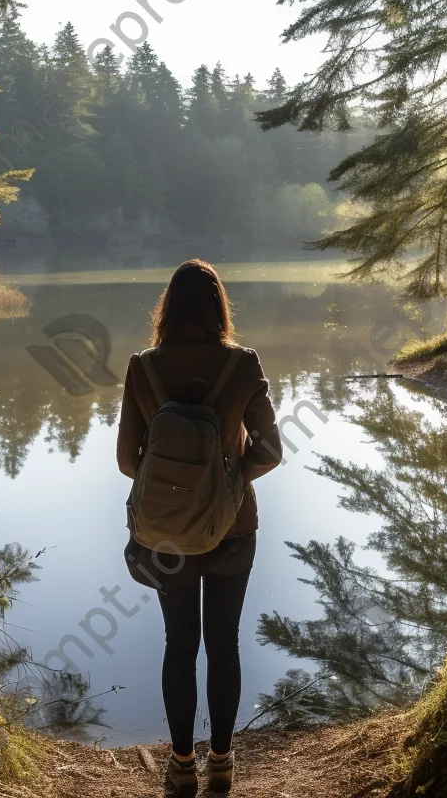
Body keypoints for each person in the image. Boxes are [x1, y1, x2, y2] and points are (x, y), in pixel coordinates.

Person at [117, 259, 282, 797]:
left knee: (179, 643)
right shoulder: (242, 363)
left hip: (168, 537)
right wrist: (228, 479)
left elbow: (126, 461)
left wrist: (175, 483)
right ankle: (223, 764)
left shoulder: (143, 367)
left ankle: (182, 765)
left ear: (167, 307)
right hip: (234, 528)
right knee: (225, 644)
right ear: (218, 306)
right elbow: (270, 451)